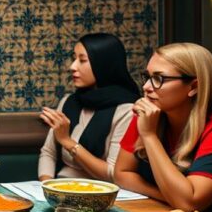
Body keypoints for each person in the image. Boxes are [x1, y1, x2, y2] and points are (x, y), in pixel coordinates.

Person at [113, 43, 212, 212]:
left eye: (159, 79)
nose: (147, 87)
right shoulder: (151, 111)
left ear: (194, 86)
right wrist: (170, 196)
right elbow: (121, 174)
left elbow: (189, 203)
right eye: (147, 77)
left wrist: (149, 136)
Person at [38, 33, 139, 182]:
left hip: (99, 192)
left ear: (103, 64)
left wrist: (67, 141)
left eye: (82, 60)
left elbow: (113, 173)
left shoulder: (127, 109)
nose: (72, 66)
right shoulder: (68, 101)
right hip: (59, 186)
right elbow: (48, 152)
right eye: (74, 59)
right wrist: (45, 186)